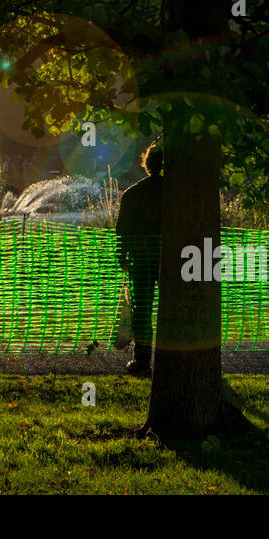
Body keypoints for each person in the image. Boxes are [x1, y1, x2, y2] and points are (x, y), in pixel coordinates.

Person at [115, 142, 163, 376]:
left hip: (140, 259)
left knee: (141, 311)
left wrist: (122, 257)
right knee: (173, 308)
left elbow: (123, 231)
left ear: (146, 164)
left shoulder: (132, 194)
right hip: (171, 260)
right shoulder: (176, 193)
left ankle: (142, 360)